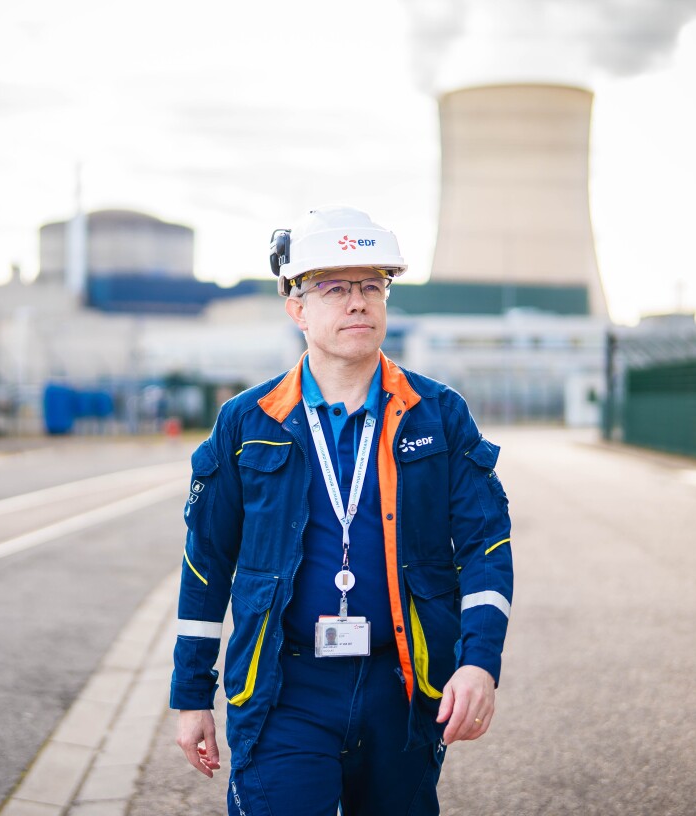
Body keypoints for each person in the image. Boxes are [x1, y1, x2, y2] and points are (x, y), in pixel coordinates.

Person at [171, 205, 514, 816]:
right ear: (297, 308)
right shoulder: (247, 423)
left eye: (372, 286)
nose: (358, 302)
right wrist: (191, 694)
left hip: (400, 687)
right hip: (284, 691)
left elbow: (487, 546)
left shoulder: (438, 415)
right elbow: (206, 565)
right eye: (334, 288)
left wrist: (479, 663)